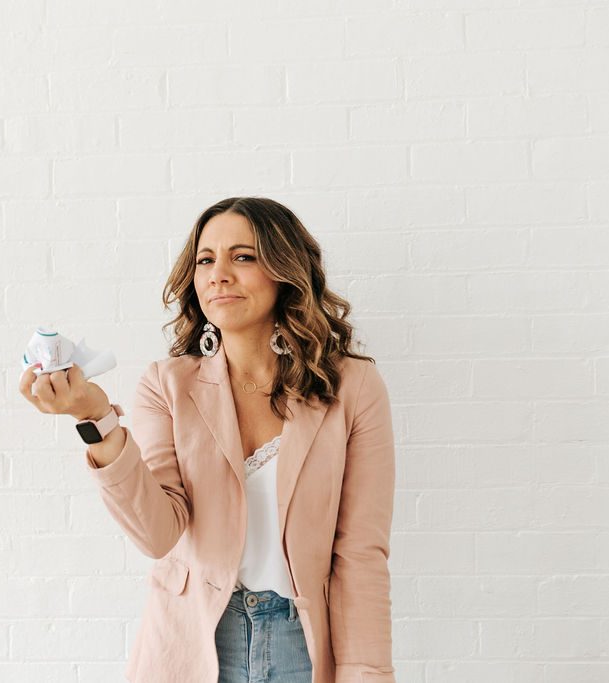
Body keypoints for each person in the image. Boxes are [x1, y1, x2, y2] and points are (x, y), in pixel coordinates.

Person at [20, 196, 397, 683]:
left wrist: (367, 674)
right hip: (190, 644)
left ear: (285, 270)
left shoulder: (351, 387)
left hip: (300, 646)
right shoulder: (168, 384)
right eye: (205, 260)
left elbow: (360, 553)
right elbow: (158, 533)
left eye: (243, 256)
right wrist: (93, 417)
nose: (218, 274)